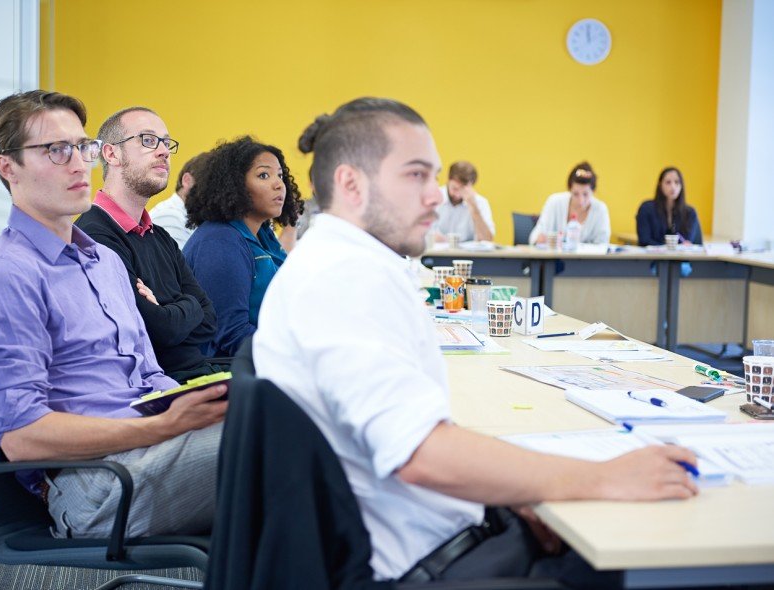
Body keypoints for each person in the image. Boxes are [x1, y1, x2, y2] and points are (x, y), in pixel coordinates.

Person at [253, 97, 698, 583]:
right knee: (649, 558)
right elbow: (421, 455)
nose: (436, 196)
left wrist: (514, 492)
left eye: (436, 176)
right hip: (428, 563)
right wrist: (604, 476)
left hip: (443, 535)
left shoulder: (345, 263)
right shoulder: (342, 279)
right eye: (417, 175)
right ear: (351, 183)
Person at [0, 90, 226, 540]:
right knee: (286, 441)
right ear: (8, 168)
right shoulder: (5, 277)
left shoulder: (104, 261)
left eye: (83, 147)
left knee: (292, 415)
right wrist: (163, 426)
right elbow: (21, 438)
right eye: (56, 150)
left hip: (154, 447)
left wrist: (200, 405)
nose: (79, 163)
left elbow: (151, 376)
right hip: (97, 483)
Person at [76, 107, 224, 383]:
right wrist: (187, 305)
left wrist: (169, 312)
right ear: (111, 154)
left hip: (197, 378)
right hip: (157, 392)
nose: (164, 151)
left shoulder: (160, 237)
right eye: (147, 140)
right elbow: (154, 331)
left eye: (166, 143)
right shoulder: (94, 236)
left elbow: (209, 321)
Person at [183, 136, 302, 356]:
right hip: (230, 374)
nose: (279, 184)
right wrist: (301, 355)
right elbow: (233, 335)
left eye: (280, 175)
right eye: (263, 175)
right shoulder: (218, 242)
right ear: (234, 185)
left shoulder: (263, 235)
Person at [529, 162, 611, 245]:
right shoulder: (554, 202)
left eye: (585, 194)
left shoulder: (600, 209)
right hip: (555, 257)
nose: (581, 201)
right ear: (569, 189)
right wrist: (539, 239)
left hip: (587, 258)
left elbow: (602, 244)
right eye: (576, 194)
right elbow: (536, 235)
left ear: (593, 191)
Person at [149, 151, 212, 249]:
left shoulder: (188, 215)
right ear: (187, 180)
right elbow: (179, 263)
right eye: (209, 182)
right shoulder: (169, 216)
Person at [636, 167, 703, 246]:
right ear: (660, 185)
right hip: (654, 257)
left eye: (677, 182)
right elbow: (644, 240)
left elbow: (687, 242)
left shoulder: (690, 212)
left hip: (680, 257)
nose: (673, 187)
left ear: (681, 186)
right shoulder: (646, 209)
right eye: (668, 182)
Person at [433, 161, 495, 242]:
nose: (458, 195)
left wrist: (474, 207)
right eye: (454, 188)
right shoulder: (433, 198)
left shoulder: (480, 203)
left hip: (467, 254)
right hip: (435, 253)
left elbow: (487, 240)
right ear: (448, 180)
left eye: (463, 190)